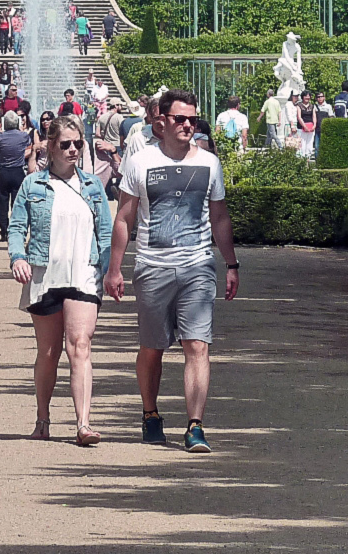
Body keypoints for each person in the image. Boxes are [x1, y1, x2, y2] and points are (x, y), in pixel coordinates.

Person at [106, 88, 240, 453]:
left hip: (197, 266)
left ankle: (195, 425)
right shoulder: (141, 161)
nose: (187, 125)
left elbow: (220, 217)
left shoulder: (210, 163)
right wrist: (114, 268)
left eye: (192, 120)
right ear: (160, 121)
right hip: (152, 266)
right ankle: (150, 413)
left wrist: (230, 263)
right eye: (179, 119)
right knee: (152, 347)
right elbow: (125, 217)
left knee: (197, 345)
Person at [9, 116, 114, 445]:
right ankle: (43, 417)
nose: (73, 150)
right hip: (44, 273)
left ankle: (84, 423)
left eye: (78, 144)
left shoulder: (93, 185)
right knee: (49, 352)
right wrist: (17, 257)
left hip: (84, 273)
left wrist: (110, 270)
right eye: (65, 144)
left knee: (80, 346)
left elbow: (106, 233)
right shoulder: (33, 185)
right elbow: (16, 228)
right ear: (50, 147)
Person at [0, 110, 36, 238]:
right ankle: (16, 229)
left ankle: (4, 229)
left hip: (4, 171)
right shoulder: (23, 136)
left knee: (2, 202)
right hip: (18, 171)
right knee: (18, 202)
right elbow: (28, 142)